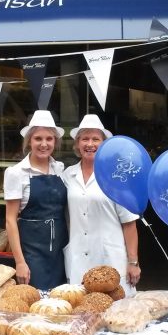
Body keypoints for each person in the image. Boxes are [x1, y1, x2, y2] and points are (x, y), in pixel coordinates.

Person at [62, 114, 141, 292]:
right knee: (81, 312)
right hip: (78, 260)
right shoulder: (67, 175)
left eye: (95, 139)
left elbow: (129, 224)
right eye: (85, 139)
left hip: (111, 260)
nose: (90, 144)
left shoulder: (116, 177)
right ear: (77, 144)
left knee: (115, 314)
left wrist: (133, 262)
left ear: (104, 144)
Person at [4, 110, 68, 290]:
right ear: (29, 141)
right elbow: (10, 220)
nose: (44, 144)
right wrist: (20, 262)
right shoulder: (16, 173)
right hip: (32, 254)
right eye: (38, 138)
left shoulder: (60, 169)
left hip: (60, 252)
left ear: (55, 141)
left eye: (49, 139)